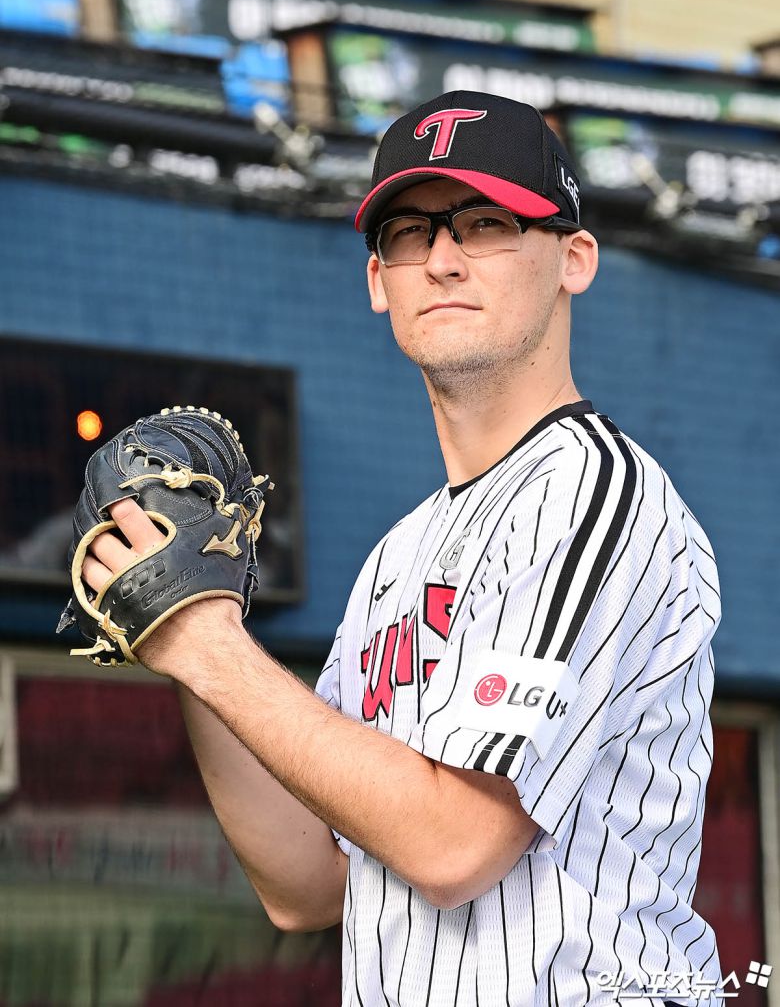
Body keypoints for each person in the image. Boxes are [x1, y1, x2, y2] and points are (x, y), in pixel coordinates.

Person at [80, 91, 723, 1006]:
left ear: (574, 258)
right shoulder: (397, 556)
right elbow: (307, 885)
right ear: (380, 281)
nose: (443, 259)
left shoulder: (595, 493)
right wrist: (187, 626)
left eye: (486, 224)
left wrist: (213, 652)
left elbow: (455, 844)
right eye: (411, 233)